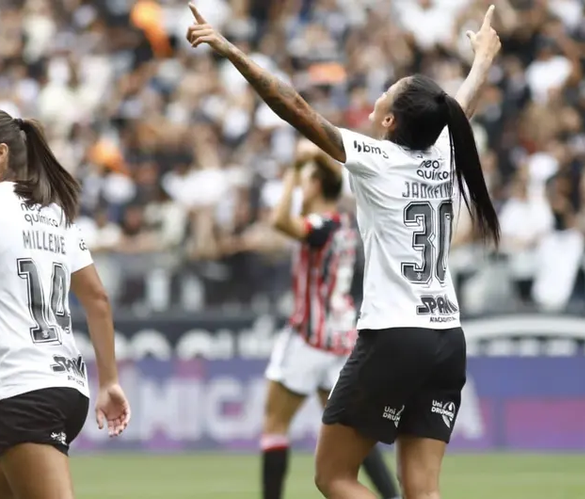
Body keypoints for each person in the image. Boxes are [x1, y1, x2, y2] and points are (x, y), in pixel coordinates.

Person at [187, 3, 502, 498]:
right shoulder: (445, 150)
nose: (377, 95)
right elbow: (462, 104)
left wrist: (231, 51)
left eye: (386, 92)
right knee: (423, 490)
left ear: (391, 119)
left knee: (332, 476)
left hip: (395, 334)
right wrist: (483, 58)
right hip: (446, 338)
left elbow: (297, 109)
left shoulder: (378, 160)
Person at [0, 108, 131, 499]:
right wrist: (111, 381)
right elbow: (97, 299)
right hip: (68, 389)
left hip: (24, 390)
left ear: (0, 154)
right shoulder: (54, 213)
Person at [262, 139, 399, 499]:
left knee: (274, 425)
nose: (300, 189)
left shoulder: (320, 225)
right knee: (350, 431)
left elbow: (279, 221)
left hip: (310, 337)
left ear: (317, 184)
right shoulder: (345, 225)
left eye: (307, 181)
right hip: (341, 341)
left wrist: (294, 168)